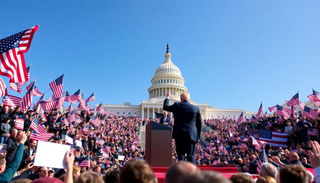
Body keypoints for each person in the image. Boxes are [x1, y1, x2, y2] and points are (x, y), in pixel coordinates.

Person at [163, 89, 201, 164]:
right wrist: (197, 137)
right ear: (189, 99)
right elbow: (199, 124)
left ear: (181, 99)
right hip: (191, 135)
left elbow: (165, 107)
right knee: (191, 156)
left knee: (181, 155)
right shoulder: (196, 108)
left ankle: (182, 174)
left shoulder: (177, 105)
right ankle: (193, 174)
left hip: (179, 135)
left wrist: (168, 97)